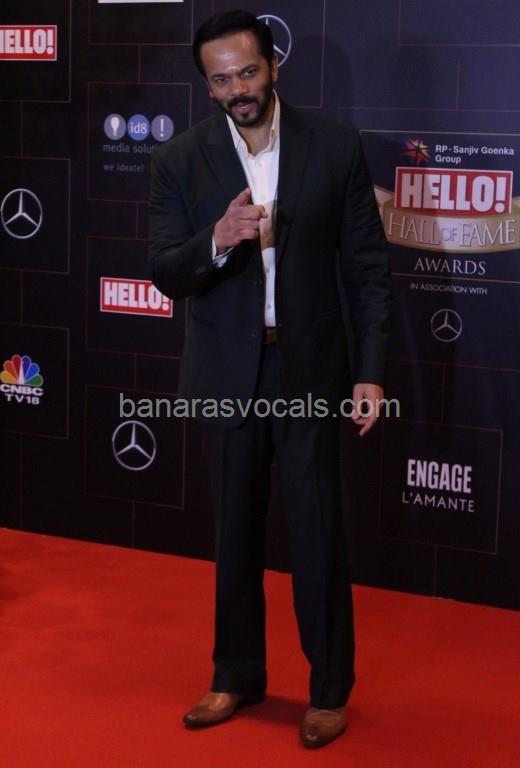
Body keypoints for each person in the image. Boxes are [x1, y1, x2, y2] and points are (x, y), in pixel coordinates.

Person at [148, 9, 391, 749]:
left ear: (273, 66)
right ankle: (236, 676)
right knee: (234, 534)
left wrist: (371, 373)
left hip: (308, 367)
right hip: (226, 371)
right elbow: (165, 270)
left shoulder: (336, 148)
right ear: (207, 86)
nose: (238, 90)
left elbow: (367, 272)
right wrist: (216, 240)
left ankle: (328, 691)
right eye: (221, 80)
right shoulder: (180, 159)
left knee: (317, 534)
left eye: (248, 72)